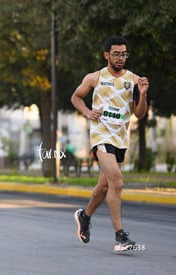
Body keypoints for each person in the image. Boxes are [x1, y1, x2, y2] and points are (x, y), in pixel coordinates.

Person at [71, 35, 149, 252]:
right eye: (116, 54)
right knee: (116, 182)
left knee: (104, 186)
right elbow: (76, 97)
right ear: (107, 55)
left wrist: (142, 95)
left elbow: (139, 114)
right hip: (101, 135)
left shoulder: (133, 80)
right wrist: (88, 112)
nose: (120, 58)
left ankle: (84, 217)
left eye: (124, 54)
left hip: (121, 138)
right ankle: (120, 237)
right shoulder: (95, 78)